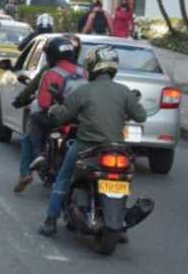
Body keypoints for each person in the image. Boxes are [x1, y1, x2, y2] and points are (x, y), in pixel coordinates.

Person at [38, 45, 147, 236]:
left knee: (62, 179)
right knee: (124, 181)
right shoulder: (124, 92)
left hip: (86, 147)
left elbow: (63, 117)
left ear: (92, 66)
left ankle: (50, 221)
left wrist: (55, 111)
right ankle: (121, 228)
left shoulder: (83, 91)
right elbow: (141, 116)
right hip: (117, 149)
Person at [11, 36, 84, 193]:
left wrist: (19, 101)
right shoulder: (84, 72)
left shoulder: (51, 71)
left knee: (33, 124)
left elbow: (43, 102)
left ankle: (31, 166)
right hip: (82, 118)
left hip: (59, 117)